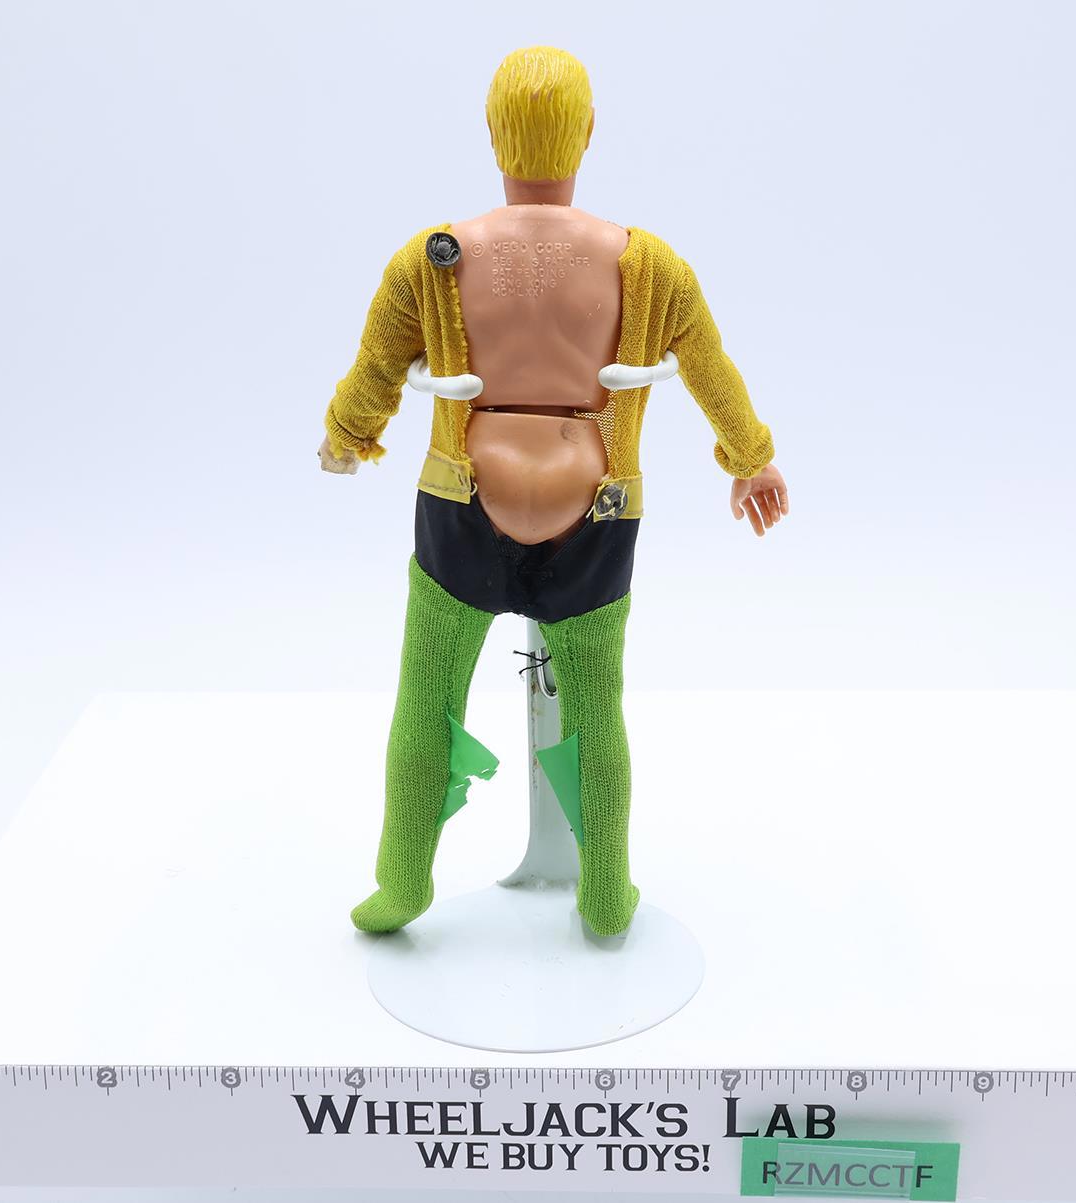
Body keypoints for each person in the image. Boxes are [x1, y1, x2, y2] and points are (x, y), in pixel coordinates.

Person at [319, 46, 788, 937]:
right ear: (589, 132)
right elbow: (710, 368)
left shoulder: (433, 258)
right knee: (597, 710)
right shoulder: (649, 264)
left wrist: (346, 436)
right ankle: (605, 892)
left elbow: (374, 369)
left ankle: (402, 880)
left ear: (492, 132)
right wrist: (750, 458)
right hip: (596, 510)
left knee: (426, 699)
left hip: (464, 501)